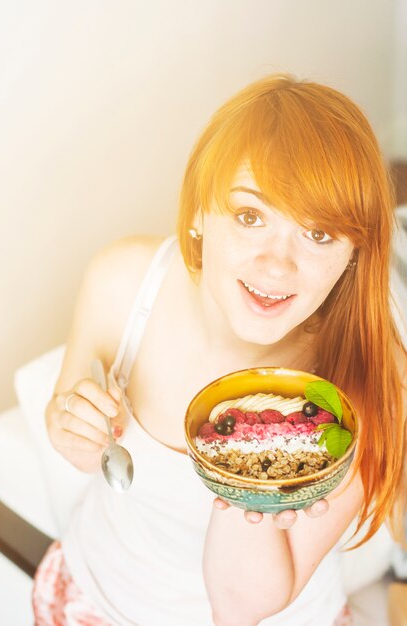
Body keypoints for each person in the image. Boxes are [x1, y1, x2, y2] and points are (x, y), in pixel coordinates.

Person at [33, 74, 406, 626]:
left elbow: (240, 608)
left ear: (354, 254)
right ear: (198, 213)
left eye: (319, 235)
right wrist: (75, 427)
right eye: (250, 216)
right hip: (92, 593)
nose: (277, 263)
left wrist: (255, 496)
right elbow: (75, 431)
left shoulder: (363, 383)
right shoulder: (124, 282)